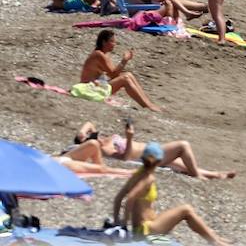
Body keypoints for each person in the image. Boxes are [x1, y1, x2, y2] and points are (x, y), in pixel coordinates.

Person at [110, 143, 229, 244]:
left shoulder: (137, 174)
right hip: (147, 230)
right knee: (186, 210)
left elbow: (118, 198)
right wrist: (124, 224)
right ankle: (215, 242)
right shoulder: (148, 178)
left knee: (183, 213)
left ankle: (214, 237)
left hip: (145, 227)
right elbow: (130, 198)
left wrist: (116, 221)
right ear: (159, 161)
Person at [67, 121, 235, 180]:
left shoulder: (105, 139)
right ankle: (198, 176)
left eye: (94, 134)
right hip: (148, 155)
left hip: (153, 150)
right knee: (183, 146)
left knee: (183, 165)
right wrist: (129, 138)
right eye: (93, 137)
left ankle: (215, 175)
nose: (97, 136)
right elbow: (125, 158)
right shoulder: (104, 149)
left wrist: (81, 132)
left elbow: (89, 123)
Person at [79, 30, 160, 110]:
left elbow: (113, 74)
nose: (114, 44)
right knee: (125, 79)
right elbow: (113, 74)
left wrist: (124, 62)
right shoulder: (98, 54)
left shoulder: (104, 54)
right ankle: (147, 106)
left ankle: (148, 103)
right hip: (89, 89)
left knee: (128, 74)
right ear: (104, 42)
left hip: (97, 85)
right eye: (112, 41)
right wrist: (124, 60)